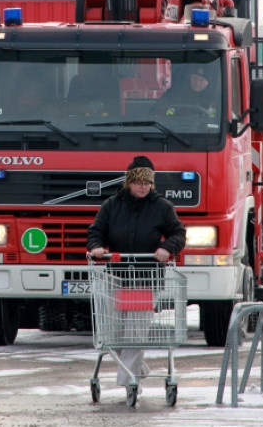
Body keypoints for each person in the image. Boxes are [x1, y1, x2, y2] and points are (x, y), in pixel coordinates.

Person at [86, 156, 186, 394]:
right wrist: (97, 247)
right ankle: (138, 370)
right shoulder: (111, 205)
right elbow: (96, 231)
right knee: (115, 333)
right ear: (128, 182)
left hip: (144, 277)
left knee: (135, 332)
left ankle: (130, 381)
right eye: (138, 181)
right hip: (116, 278)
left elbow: (178, 234)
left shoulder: (162, 206)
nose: (143, 186)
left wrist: (167, 247)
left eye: (147, 182)